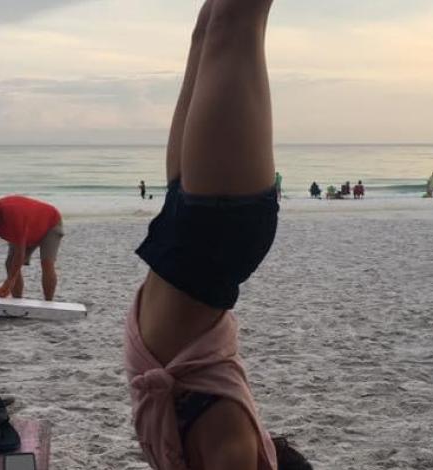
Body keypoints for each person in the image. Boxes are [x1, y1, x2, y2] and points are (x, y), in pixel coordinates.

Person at [125, 1, 311, 469]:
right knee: (236, 19)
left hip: (181, 238)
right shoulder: (229, 443)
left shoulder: (189, 443)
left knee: (207, 29)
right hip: (218, 234)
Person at [0, 196, 64, 301]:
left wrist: (10, 280)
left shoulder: (13, 216)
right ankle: (17, 300)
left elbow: (19, 253)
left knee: (47, 263)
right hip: (27, 228)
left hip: (50, 223)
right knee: (10, 264)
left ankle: (49, 302)